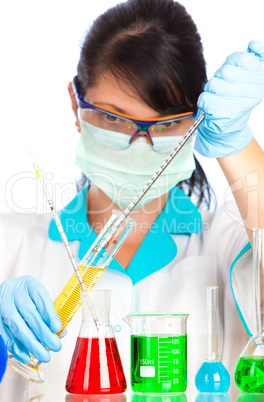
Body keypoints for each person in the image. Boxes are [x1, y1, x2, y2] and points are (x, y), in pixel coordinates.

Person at [0, 0, 263, 396]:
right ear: (76, 103)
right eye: (112, 116)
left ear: (196, 121)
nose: (138, 142)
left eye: (167, 123)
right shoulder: (11, 243)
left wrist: (236, 145)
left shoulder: (230, 245)